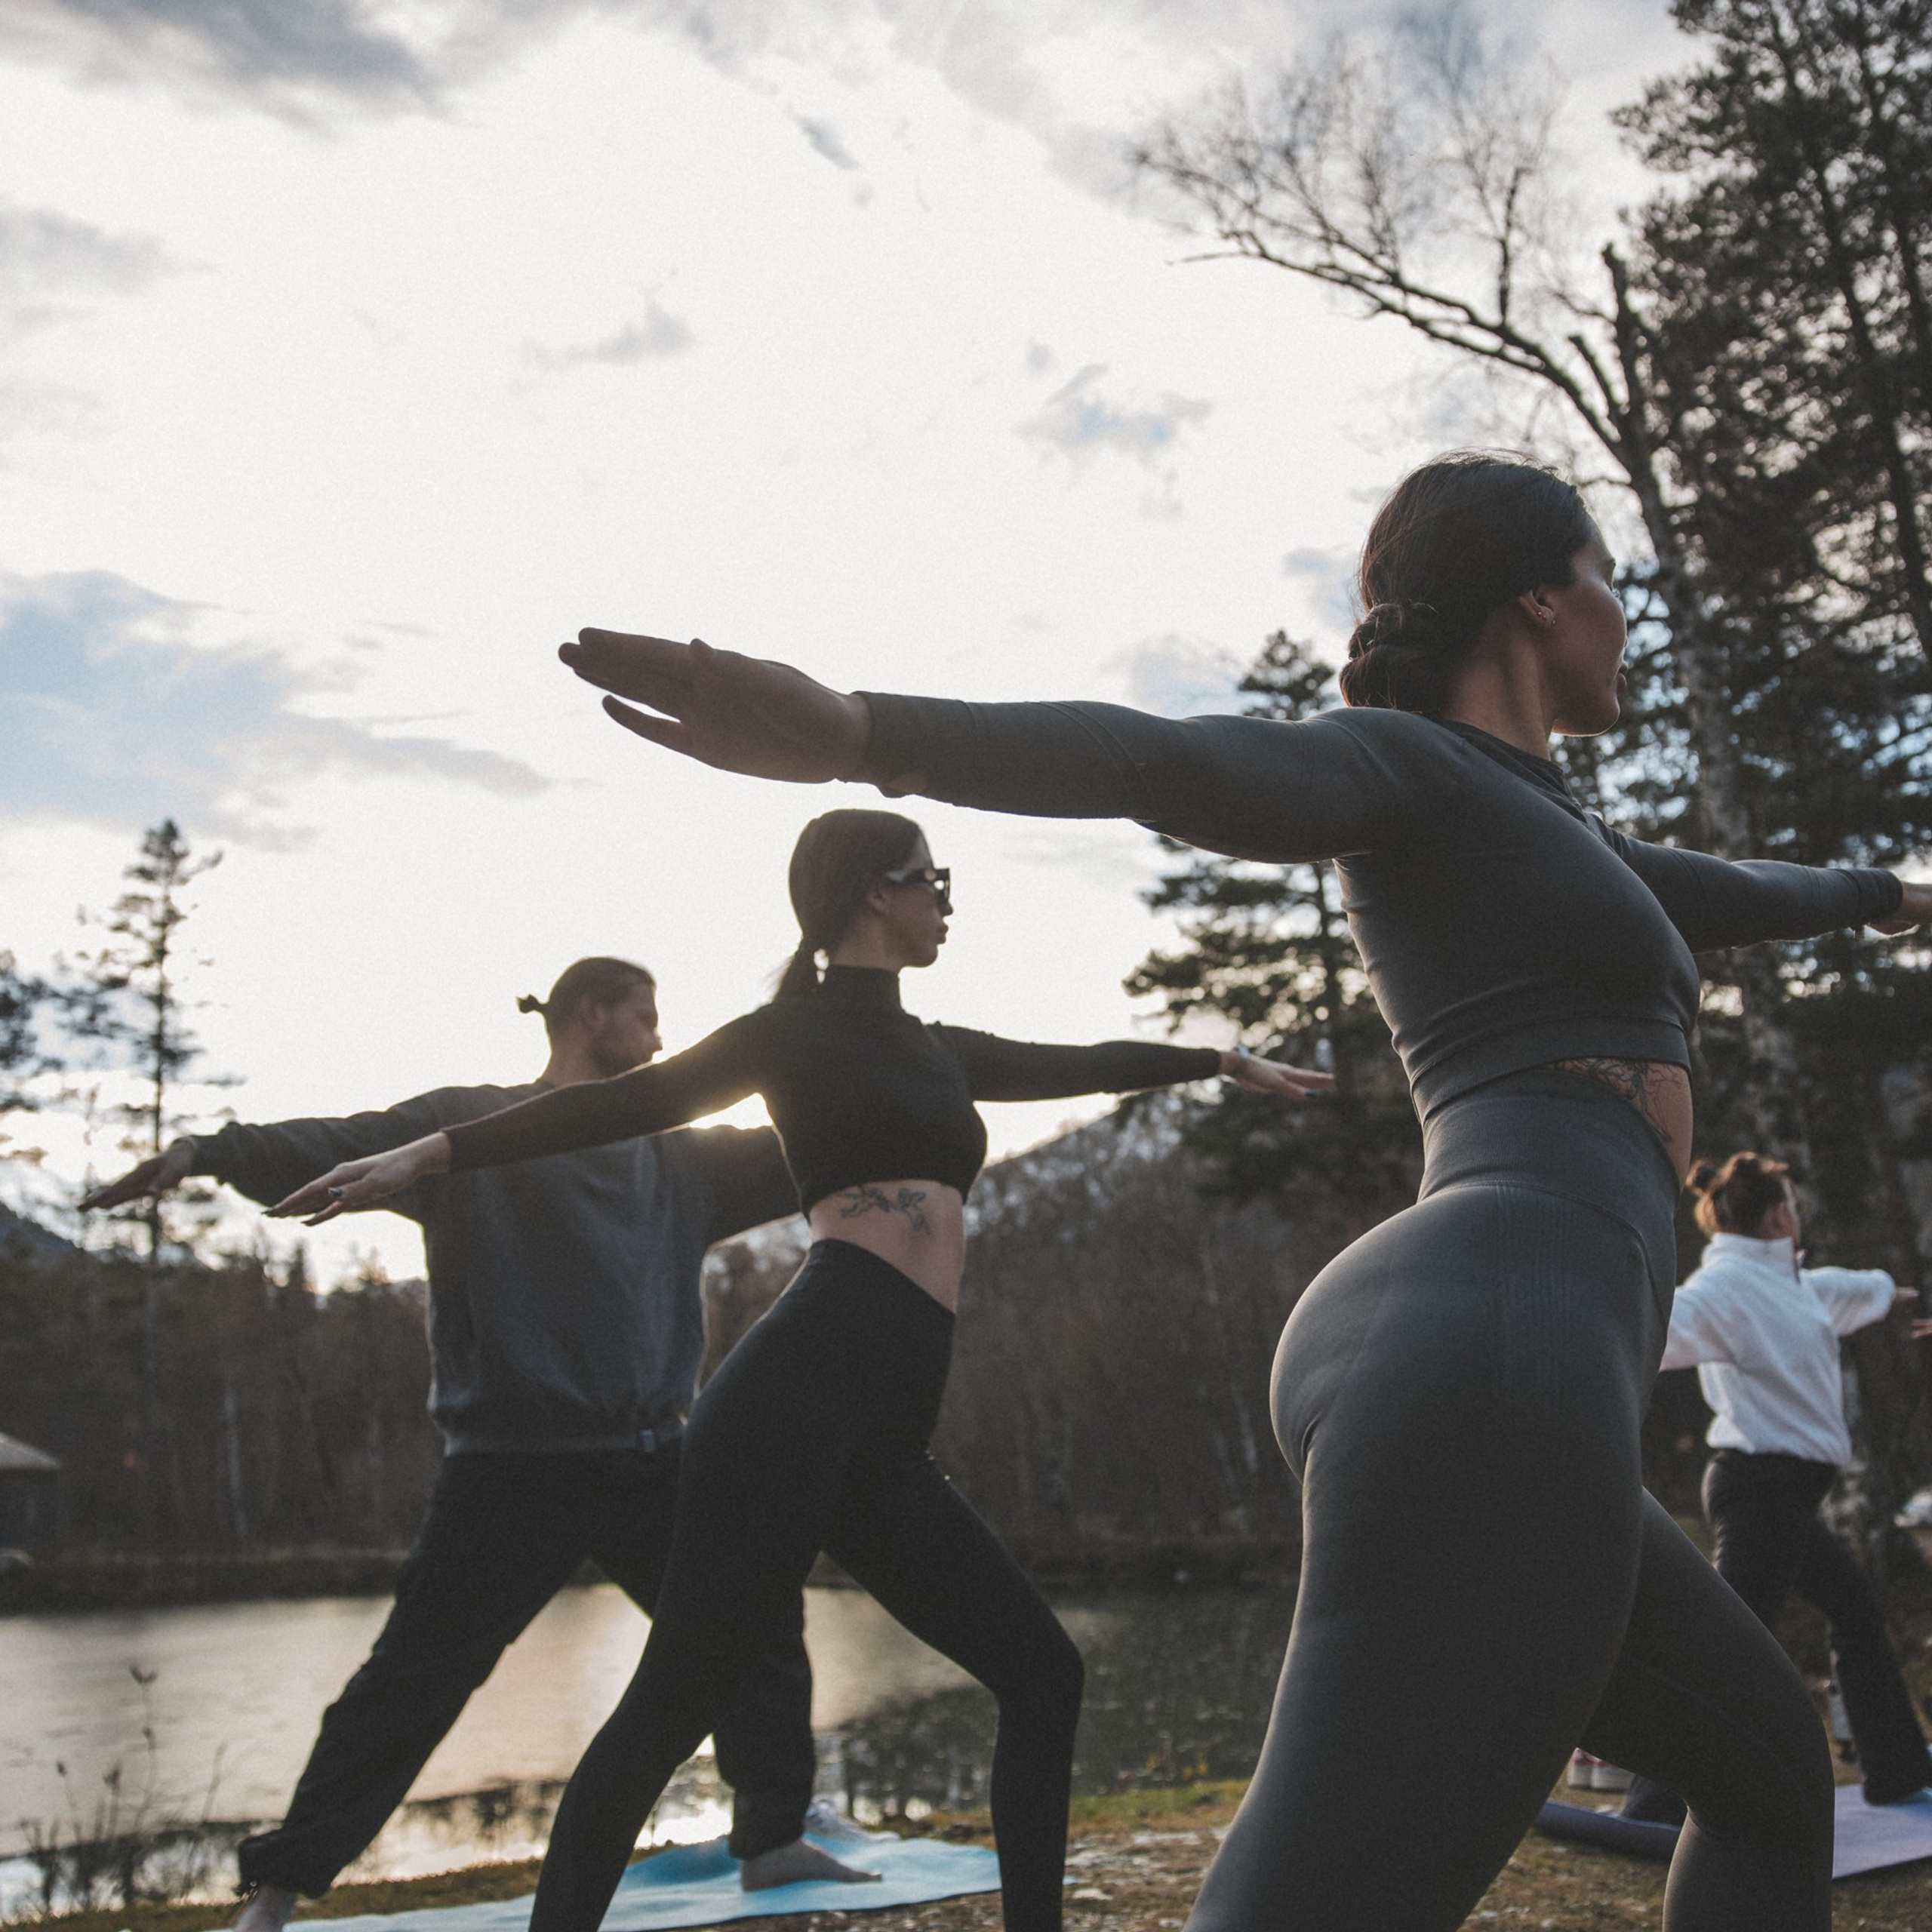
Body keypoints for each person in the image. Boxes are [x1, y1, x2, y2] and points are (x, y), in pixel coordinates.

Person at [521, 451, 1932, 1931]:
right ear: (1537, 595)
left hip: (1492, 1340)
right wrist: (864, 735)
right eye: (1606, 577)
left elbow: (1731, 888)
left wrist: (1886, 893)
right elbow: (1165, 762)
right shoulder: (1407, 766)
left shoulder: (1562, 831)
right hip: (1493, 1337)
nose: (1621, 614)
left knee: (1768, 1771)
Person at [269, 810, 1330, 1932]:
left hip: (884, 1434)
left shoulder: (937, 1048)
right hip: (792, 1399)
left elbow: (1082, 1065)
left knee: (1042, 1673)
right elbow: (610, 1107)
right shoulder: (786, 1034)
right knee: (668, 1710)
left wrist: (1217, 1060)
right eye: (933, 879)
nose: (946, 902)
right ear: (876, 890)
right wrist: (430, 1151)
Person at [78, 956, 858, 1929]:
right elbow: (337, 1140)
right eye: (646, 1017)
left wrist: (872, 1058)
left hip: (651, 1461)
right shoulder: (471, 1132)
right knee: (410, 1682)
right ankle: (275, 1894)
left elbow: (815, 1139)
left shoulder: (681, 1159)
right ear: (590, 1014)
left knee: (755, 1618)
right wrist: (204, 1150)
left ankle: (773, 1840)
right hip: (509, 1473)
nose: (661, 1040)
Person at [1615, 1151, 1932, 1824]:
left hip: (1784, 1496)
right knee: (1725, 1642)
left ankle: (1898, 1774)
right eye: (1792, 1205)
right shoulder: (1724, 1291)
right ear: (1776, 1217)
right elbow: (1657, 1324)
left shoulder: (1795, 1287)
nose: (1798, 1215)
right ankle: (1651, 1806)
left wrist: (1889, 1292)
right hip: (1757, 1490)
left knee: (1854, 1610)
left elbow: (1841, 1290)